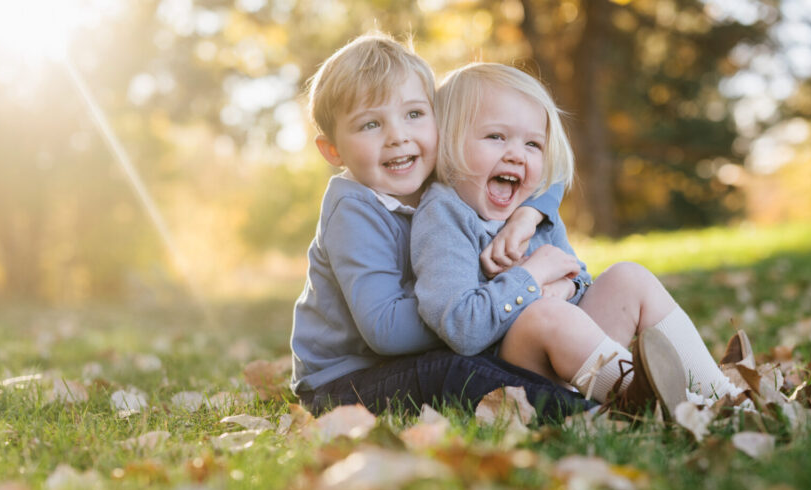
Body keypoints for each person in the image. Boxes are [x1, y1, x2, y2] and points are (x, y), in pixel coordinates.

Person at [411, 63, 750, 417]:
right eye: (496, 137)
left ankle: (724, 394)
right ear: (447, 141)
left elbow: (579, 276)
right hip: (509, 375)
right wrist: (531, 279)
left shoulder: (531, 212)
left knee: (627, 277)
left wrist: (567, 290)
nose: (516, 154)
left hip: (575, 359)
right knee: (544, 314)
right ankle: (675, 405)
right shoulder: (443, 214)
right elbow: (461, 329)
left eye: (532, 144)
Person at [289, 33, 595, 417]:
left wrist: (526, 215)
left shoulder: (432, 172)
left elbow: (544, 177)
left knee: (484, 359)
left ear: (440, 122)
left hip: (430, 348)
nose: (398, 136)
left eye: (414, 114)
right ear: (333, 150)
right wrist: (487, 297)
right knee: (457, 372)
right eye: (370, 125)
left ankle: (608, 379)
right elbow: (385, 330)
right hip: (348, 381)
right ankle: (591, 414)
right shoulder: (353, 209)